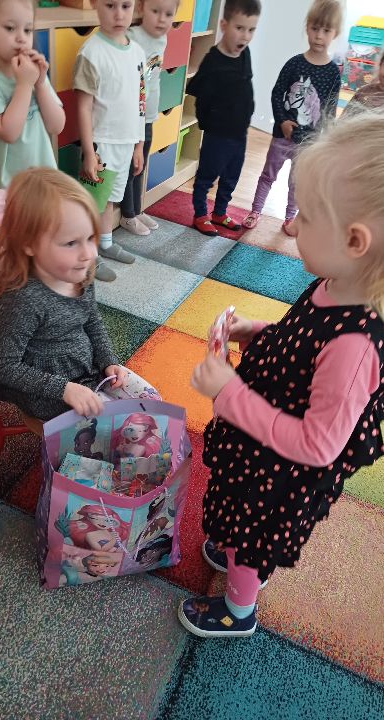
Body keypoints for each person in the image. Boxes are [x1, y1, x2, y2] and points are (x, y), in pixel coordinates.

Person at [178, 113, 384, 638]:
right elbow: (302, 339)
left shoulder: (356, 346)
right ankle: (237, 556)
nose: (292, 224)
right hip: (263, 440)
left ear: (355, 240)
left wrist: (230, 393)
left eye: (306, 216)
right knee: (236, 516)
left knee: (251, 533)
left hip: (281, 469)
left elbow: (318, 446)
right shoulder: (334, 281)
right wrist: (257, 331)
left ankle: (238, 609)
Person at [0, 167, 160, 421]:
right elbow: (2, 366)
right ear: (29, 244)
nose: (89, 254)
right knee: (120, 426)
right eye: (70, 243)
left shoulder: (81, 275)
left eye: (90, 238)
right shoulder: (24, 299)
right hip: (49, 394)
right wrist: (64, 389)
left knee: (152, 404)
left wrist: (108, 361)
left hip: (88, 372)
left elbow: (93, 322)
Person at [242, 0, 342, 237]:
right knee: (268, 175)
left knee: (297, 183)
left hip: (307, 144)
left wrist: (322, 142)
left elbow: (329, 111)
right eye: (315, 28)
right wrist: (282, 121)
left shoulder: (332, 74)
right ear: (307, 27)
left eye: (326, 30)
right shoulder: (294, 63)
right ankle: (255, 211)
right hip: (282, 137)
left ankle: (290, 217)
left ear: (335, 34)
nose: (319, 36)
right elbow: (277, 93)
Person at [74, 0, 146, 283]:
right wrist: (89, 152)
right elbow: (83, 107)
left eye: (125, 6)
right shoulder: (91, 52)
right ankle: (88, 255)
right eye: (110, 5)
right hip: (102, 143)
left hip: (126, 142)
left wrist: (139, 144)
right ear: (95, 4)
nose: (118, 14)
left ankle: (105, 243)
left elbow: (140, 101)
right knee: (95, 204)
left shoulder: (138, 52)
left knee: (112, 200)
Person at [186, 0, 261, 237]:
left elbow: (246, 84)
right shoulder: (213, 61)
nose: (245, 36)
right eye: (239, 28)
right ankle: (200, 215)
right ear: (224, 25)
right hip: (217, 134)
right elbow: (201, 98)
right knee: (207, 175)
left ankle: (219, 212)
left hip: (240, 132)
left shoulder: (245, 53)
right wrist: (208, 124)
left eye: (251, 30)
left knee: (231, 176)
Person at [0, 0, 65, 189]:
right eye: (10, 28)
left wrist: (40, 84)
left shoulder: (31, 70)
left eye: (27, 30)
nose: (21, 38)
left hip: (45, 180)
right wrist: (25, 85)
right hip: (10, 188)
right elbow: (9, 133)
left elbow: (57, 126)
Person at [120, 0, 179, 236]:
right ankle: (127, 214)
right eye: (155, 11)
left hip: (149, 116)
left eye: (168, 14)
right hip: (132, 116)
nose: (162, 19)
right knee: (129, 165)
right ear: (141, 8)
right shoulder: (133, 37)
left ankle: (137, 208)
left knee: (140, 164)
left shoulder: (162, 38)